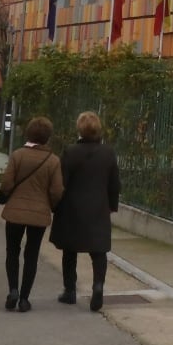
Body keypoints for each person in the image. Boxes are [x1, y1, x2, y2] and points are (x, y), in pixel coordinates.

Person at [49, 111, 120, 312]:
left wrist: (56, 206)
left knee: (69, 251)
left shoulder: (71, 152)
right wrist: (111, 206)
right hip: (98, 207)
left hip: (72, 208)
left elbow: (62, 181)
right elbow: (114, 184)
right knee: (98, 252)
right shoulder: (108, 153)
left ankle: (69, 290)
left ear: (79, 129)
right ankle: (98, 285)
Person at [0, 116, 64, 313]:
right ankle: (25, 298)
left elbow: (7, 183)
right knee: (32, 255)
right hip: (39, 214)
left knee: (12, 251)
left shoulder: (18, 155)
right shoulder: (53, 161)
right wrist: (51, 206)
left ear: (29, 133)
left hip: (15, 213)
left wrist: (6, 195)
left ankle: (13, 289)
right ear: (47, 137)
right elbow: (56, 191)